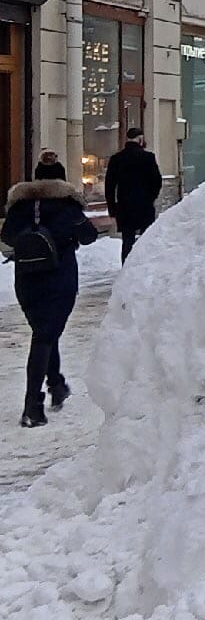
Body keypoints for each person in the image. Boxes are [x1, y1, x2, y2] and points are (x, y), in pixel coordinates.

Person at [3, 161, 101, 427]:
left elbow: (7, 236)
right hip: (60, 278)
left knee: (45, 332)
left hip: (26, 279)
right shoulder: (68, 206)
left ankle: (56, 384)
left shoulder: (20, 206)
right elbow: (89, 236)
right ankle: (32, 406)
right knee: (45, 336)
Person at [104, 127, 162, 264]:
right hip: (144, 206)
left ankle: (126, 269)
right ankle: (143, 267)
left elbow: (109, 186)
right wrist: (150, 198)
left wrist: (112, 208)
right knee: (146, 239)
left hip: (124, 207)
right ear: (140, 139)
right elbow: (156, 181)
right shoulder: (148, 157)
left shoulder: (117, 159)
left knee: (127, 240)